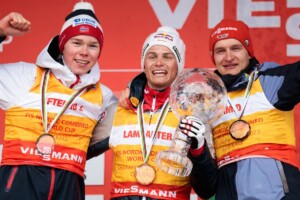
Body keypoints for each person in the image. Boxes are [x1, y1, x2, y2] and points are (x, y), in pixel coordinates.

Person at [122, 19, 300, 199]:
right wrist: (198, 149)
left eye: (235, 48)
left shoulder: (271, 80)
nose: (228, 57)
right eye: (220, 51)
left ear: (248, 51)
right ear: (213, 57)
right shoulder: (206, 97)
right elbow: (206, 189)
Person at [0, 2, 117, 200]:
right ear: (62, 45)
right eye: (76, 43)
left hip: (68, 189)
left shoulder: (104, 97)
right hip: (19, 185)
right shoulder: (25, 76)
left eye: (93, 45)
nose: (84, 52)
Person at [106, 26, 217, 200]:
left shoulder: (192, 113)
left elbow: (207, 189)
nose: (159, 63)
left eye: (167, 57)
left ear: (178, 65)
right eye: (152, 56)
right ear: (144, 63)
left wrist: (198, 148)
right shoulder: (121, 107)